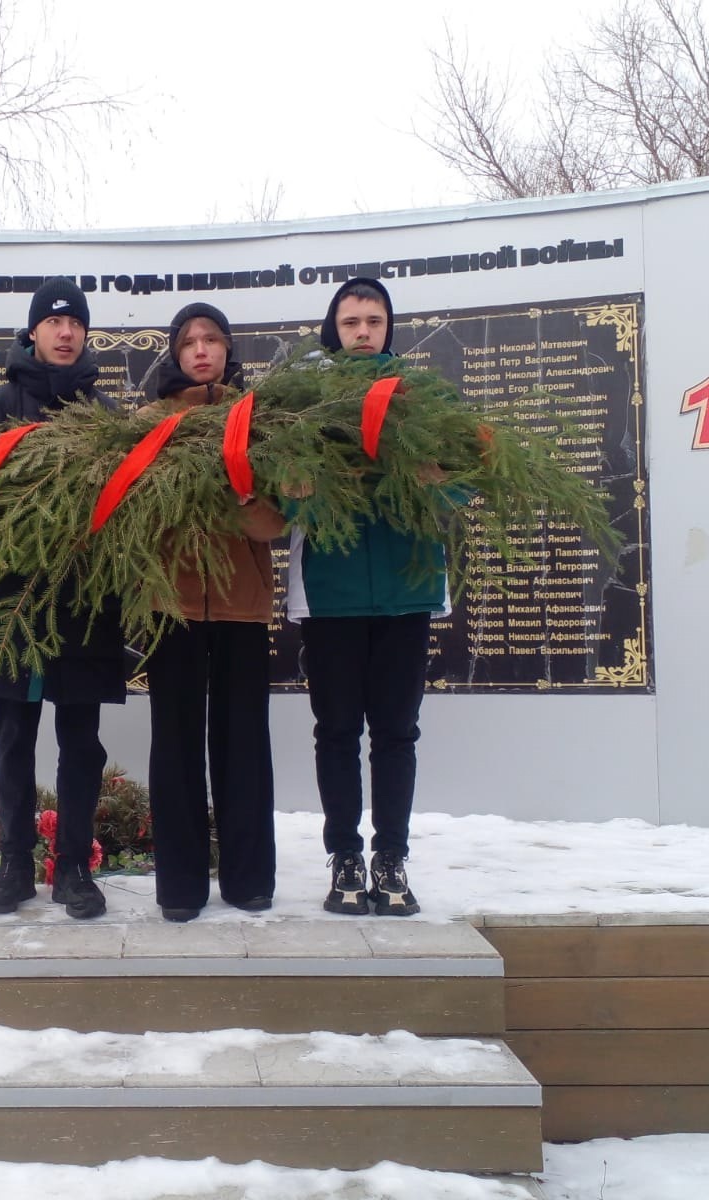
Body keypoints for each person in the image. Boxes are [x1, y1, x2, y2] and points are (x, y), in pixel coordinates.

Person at [0, 277, 125, 920]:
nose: (65, 332)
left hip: (85, 600)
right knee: (14, 737)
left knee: (81, 740)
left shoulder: (107, 414)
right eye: (53, 322)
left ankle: (75, 869)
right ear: (33, 331)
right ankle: (15, 865)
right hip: (14, 601)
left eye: (75, 323)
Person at [286, 276, 443, 917]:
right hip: (332, 595)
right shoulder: (301, 406)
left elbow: (465, 476)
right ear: (334, 328)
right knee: (337, 733)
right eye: (350, 322)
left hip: (407, 591)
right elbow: (272, 478)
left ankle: (392, 858)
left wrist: (439, 482)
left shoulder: (422, 399)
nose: (362, 333)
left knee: (398, 734)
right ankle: (345, 857)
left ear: (388, 328)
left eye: (373, 322)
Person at [140, 303, 283, 922]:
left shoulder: (257, 422)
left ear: (229, 350)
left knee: (243, 742)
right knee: (173, 747)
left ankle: (249, 879)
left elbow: (273, 522)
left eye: (213, 339)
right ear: (174, 353)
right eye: (190, 341)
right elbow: (134, 516)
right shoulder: (146, 423)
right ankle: (179, 887)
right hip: (168, 605)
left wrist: (238, 487)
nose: (201, 350)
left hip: (241, 608)